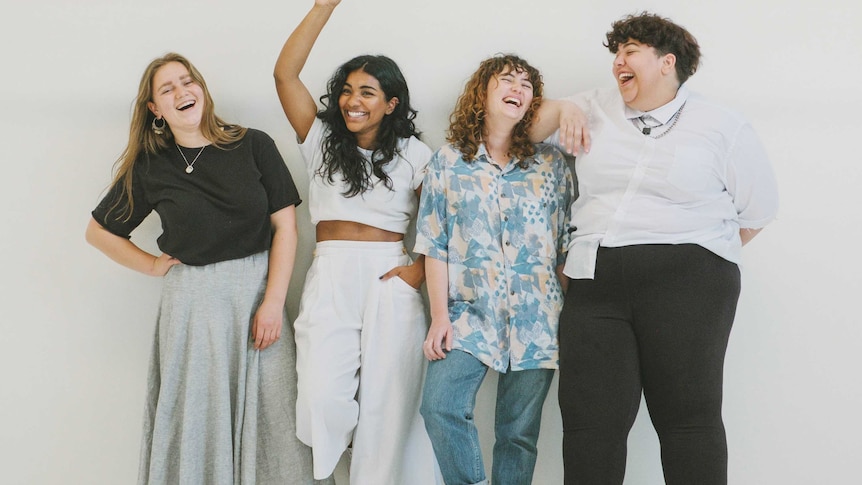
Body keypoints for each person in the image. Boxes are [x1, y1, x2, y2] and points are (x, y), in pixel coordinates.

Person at [533, 12, 780, 484]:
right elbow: (520, 131)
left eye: (630, 52)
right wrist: (562, 106)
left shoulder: (721, 125)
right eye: (616, 54)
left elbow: (758, 211)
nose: (617, 63)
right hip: (595, 276)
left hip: (689, 280)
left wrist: (697, 257)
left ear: (667, 63)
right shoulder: (591, 105)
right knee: (590, 423)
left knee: (687, 417)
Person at [85, 53, 327, 485]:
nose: (182, 92)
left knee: (276, 413)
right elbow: (99, 232)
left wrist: (273, 302)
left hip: (257, 293)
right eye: (167, 89)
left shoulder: (254, 144)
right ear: (155, 110)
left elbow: (285, 228)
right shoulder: (150, 165)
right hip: (193, 306)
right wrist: (153, 265)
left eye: (187, 80)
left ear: (201, 88)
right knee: (197, 417)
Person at [273, 1, 441, 483]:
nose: (353, 101)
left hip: (391, 272)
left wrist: (417, 272)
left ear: (391, 103)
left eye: (368, 92)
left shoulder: (414, 154)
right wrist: (325, 5)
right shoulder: (322, 138)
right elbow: (286, 74)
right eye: (346, 91)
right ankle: (346, 459)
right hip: (331, 271)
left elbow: (444, 222)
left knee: (388, 404)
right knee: (322, 395)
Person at [416, 54, 575, 485]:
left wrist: (574, 319)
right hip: (469, 313)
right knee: (440, 406)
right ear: (481, 94)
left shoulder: (551, 164)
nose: (518, 90)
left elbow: (564, 247)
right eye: (507, 80)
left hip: (538, 318)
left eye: (527, 86)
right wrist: (439, 317)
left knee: (518, 435)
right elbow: (435, 244)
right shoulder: (448, 162)